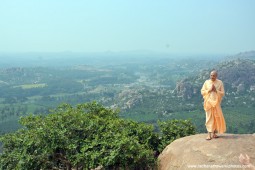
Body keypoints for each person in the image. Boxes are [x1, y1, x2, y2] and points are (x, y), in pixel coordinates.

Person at [201, 70, 226, 140]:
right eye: (211, 75)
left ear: (216, 76)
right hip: (208, 102)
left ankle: (214, 133)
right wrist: (209, 90)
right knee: (209, 118)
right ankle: (209, 134)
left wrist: (216, 90)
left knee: (216, 117)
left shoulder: (220, 82)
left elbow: (222, 93)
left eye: (214, 75)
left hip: (216, 103)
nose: (212, 77)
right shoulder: (206, 82)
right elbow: (202, 91)